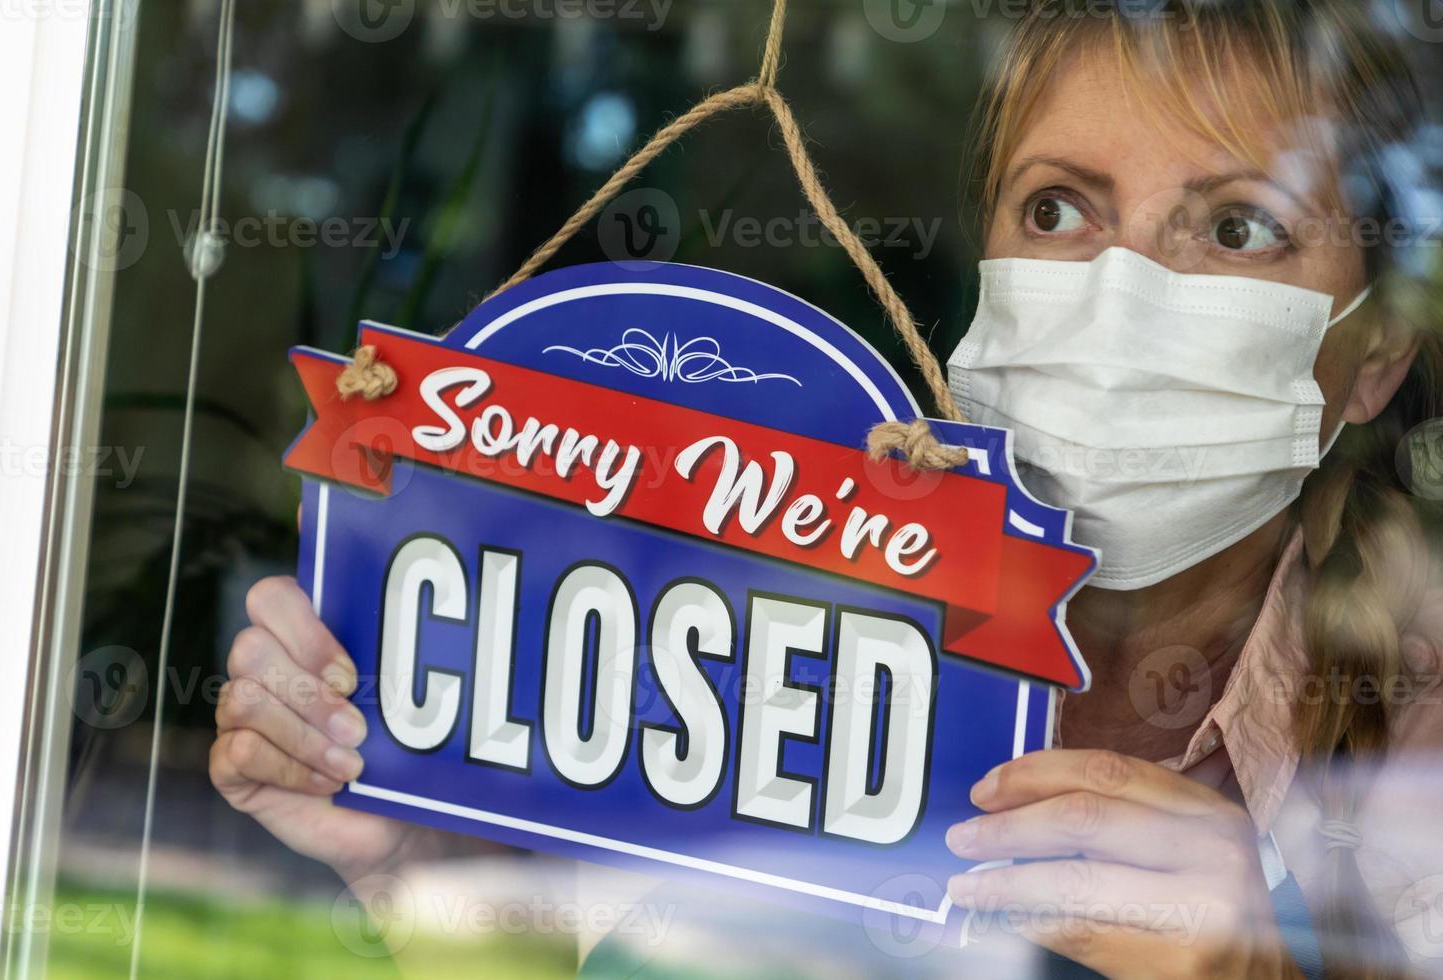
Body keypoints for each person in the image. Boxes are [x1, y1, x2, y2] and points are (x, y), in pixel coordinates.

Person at [211, 1, 1443, 976]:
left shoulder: (1412, 731)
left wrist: (1272, 973)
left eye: (1238, 228)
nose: (1118, 293)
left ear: (1377, 349)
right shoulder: (769, 627)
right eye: (1059, 209)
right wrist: (430, 854)